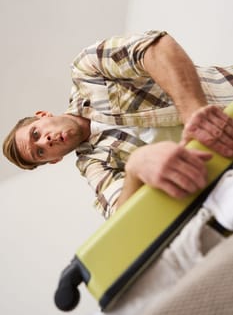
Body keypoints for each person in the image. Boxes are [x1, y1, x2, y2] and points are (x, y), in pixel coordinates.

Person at [3, 30, 233, 314]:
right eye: (40, 151)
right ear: (53, 160)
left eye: (36, 133)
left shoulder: (87, 71)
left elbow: (155, 47)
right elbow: (125, 219)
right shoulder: (93, 166)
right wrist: (136, 168)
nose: (45, 141)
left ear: (42, 116)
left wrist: (194, 114)